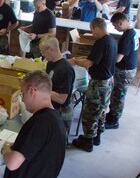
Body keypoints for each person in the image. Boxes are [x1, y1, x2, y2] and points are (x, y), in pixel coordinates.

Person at [69, 18, 117, 152]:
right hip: (108, 81)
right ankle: (97, 136)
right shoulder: (111, 40)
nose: (92, 33)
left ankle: (88, 140)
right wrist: (79, 59)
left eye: (92, 30)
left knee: (90, 111)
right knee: (101, 110)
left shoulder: (101, 43)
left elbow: (88, 63)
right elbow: (94, 59)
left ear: (96, 28)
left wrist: (74, 62)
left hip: (99, 83)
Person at [105, 13, 139, 129]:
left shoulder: (127, 37)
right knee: (116, 94)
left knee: (119, 96)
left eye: (115, 26)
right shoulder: (132, 32)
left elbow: (118, 58)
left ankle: (114, 120)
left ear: (121, 22)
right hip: (128, 69)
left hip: (125, 71)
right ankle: (111, 114)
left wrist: (107, 59)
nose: (115, 28)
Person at [40, 36, 75, 136]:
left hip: (61, 112)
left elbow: (61, 98)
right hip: (51, 107)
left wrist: (40, 89)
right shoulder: (51, 63)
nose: (42, 55)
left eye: (43, 52)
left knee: (57, 140)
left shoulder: (65, 70)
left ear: (51, 49)